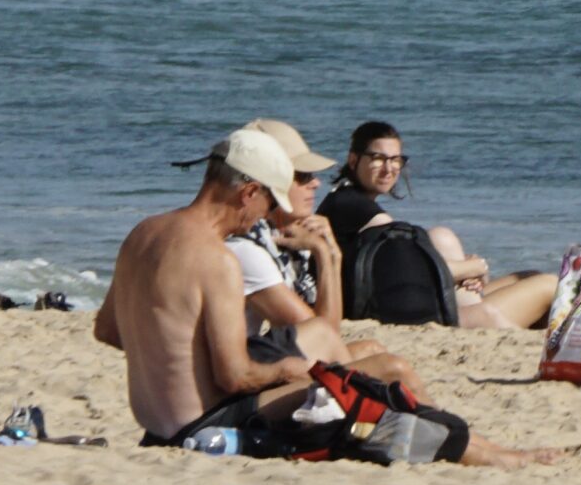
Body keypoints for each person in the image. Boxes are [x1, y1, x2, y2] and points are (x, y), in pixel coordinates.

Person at [95, 128, 553, 466]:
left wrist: (172, 358)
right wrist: (288, 370)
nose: (268, 213)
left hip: (157, 427)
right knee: (377, 375)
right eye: (267, 202)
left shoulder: (144, 233)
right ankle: (483, 453)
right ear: (247, 191)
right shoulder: (216, 259)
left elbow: (108, 330)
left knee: (344, 358)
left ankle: (479, 447)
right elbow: (235, 377)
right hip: (203, 428)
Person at [320, 120, 558, 330]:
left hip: (411, 301)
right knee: (549, 285)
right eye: (378, 158)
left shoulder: (343, 201)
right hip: (410, 311)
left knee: (526, 276)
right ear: (353, 160)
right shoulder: (354, 207)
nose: (389, 168)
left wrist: (466, 273)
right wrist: (473, 268)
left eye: (395, 160)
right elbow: (409, 269)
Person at [219, 118, 386, 366]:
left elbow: (326, 339)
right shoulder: (245, 247)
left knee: (372, 350)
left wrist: (332, 256)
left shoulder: (277, 240)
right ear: (267, 181)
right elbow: (324, 339)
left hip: (251, 361)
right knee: (382, 363)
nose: (316, 183)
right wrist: (325, 254)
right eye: (303, 175)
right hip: (239, 378)